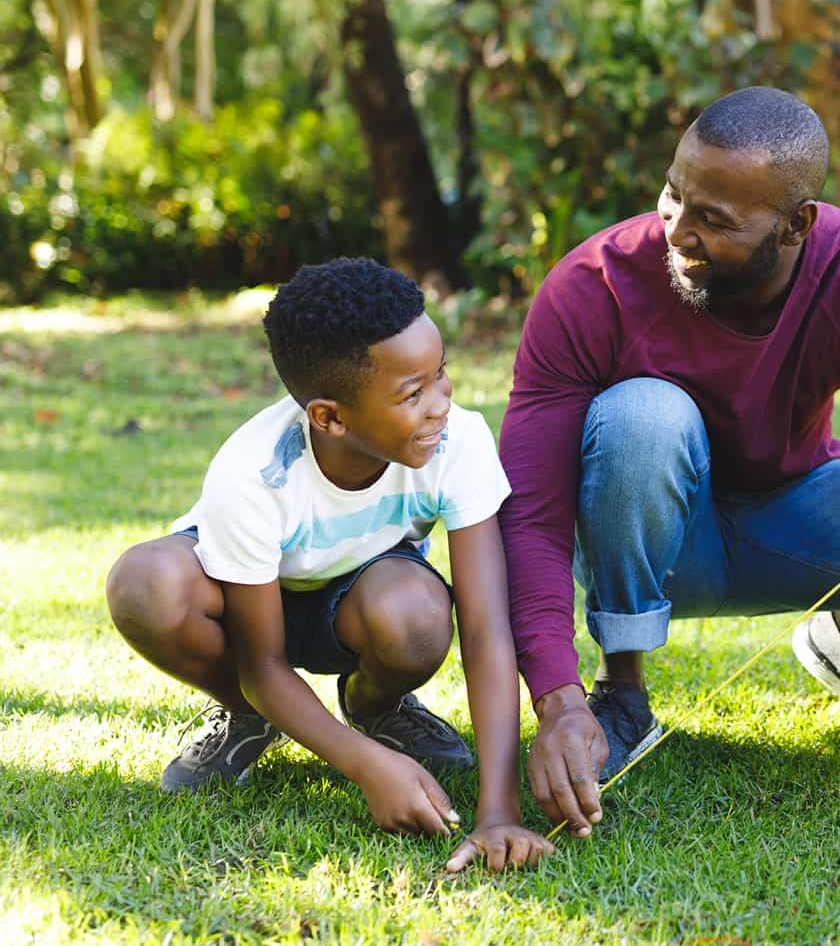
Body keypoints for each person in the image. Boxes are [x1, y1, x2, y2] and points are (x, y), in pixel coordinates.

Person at [499, 86, 840, 835]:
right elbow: (532, 514)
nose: (678, 232)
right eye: (674, 197)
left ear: (796, 225)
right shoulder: (593, 287)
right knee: (644, 412)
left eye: (715, 220)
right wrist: (557, 696)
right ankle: (622, 691)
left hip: (789, 508)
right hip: (655, 540)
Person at [104, 258, 551, 872]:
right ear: (330, 417)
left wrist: (499, 812)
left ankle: (375, 708)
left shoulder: (457, 442)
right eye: (411, 393)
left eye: (440, 375)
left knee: (417, 615)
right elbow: (264, 661)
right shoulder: (253, 475)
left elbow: (486, 631)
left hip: (364, 599)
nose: (440, 404)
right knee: (144, 584)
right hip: (249, 608)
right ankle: (246, 716)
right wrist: (363, 766)